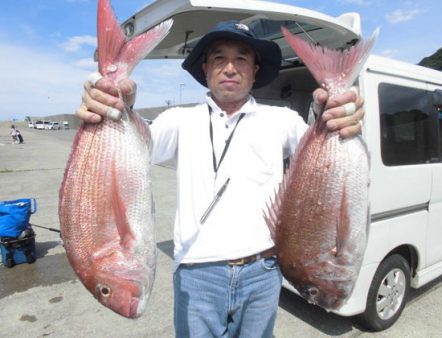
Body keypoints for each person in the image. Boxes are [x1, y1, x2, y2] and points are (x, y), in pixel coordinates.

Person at [77, 21, 364, 338]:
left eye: (241, 58)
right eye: (218, 58)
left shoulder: (282, 120)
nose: (230, 68)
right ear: (205, 68)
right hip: (196, 272)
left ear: (255, 70)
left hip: (264, 270)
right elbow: (135, 147)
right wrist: (118, 106)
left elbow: (327, 162)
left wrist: (337, 115)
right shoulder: (178, 119)